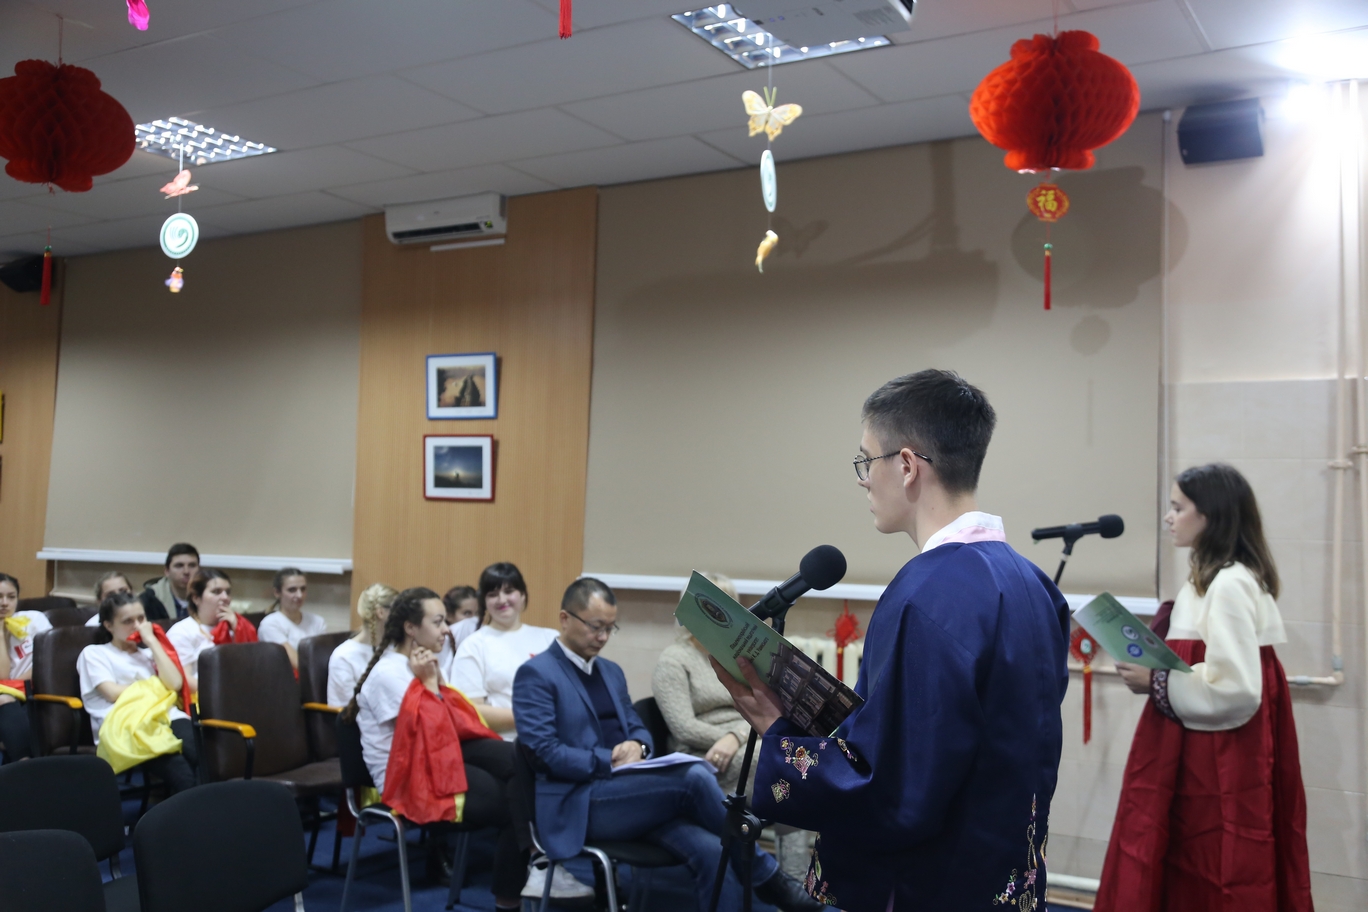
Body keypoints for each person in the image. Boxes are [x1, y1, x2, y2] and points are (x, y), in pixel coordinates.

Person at [715, 370, 1070, 911]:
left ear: (906, 466)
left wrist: (779, 733)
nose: (863, 480)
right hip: (999, 870)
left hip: (931, 883)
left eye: (866, 460)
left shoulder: (927, 593)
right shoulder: (1032, 582)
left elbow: (891, 788)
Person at [513, 577, 819, 912]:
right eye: (595, 627)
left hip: (630, 793)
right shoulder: (537, 674)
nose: (602, 637)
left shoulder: (610, 671)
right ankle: (766, 876)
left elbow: (637, 728)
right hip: (581, 801)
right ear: (565, 619)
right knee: (694, 776)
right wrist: (608, 758)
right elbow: (543, 753)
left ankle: (765, 878)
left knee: (714, 850)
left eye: (610, 628)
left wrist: (639, 747)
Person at [1095, 464, 1312, 912]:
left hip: (1216, 758)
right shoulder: (1209, 579)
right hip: (1191, 746)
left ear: (1210, 514)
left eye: (1178, 508)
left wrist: (1156, 680)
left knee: (1215, 863)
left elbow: (1236, 689)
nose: (1169, 518)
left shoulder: (1230, 584)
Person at [343, 587, 528, 908]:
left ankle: (537, 861)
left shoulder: (422, 663)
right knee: (513, 803)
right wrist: (431, 685)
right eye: (438, 622)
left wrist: (433, 683)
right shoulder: (389, 673)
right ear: (411, 628)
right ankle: (510, 899)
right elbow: (433, 732)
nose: (447, 630)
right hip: (408, 776)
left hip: (436, 755)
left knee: (521, 762)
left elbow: (454, 722)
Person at [77, 591, 197, 793]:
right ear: (108, 625)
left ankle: (206, 808)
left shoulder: (149, 653)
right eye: (128, 621)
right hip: (128, 723)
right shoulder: (95, 653)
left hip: (166, 715)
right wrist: (154, 686)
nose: (138, 626)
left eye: (141, 618)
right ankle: (187, 811)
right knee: (181, 772)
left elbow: (175, 684)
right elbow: (112, 692)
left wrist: (152, 642)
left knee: (200, 754)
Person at [652, 572, 753, 794]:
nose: (719, 615)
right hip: (702, 751)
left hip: (743, 740)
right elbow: (683, 728)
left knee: (792, 750)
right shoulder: (674, 659)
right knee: (769, 758)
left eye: (726, 607)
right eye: (710, 607)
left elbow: (760, 708)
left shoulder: (739, 657)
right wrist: (732, 739)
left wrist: (738, 736)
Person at [450, 563, 558, 741]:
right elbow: (469, 710)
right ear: (484, 602)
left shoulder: (551, 638)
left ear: (523, 595)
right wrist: (532, 718)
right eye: (493, 594)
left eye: (509, 591)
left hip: (555, 740)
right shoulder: (473, 645)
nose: (501, 600)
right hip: (504, 745)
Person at [167, 569, 257, 695]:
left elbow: (251, 669)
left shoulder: (236, 627)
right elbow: (184, 679)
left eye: (227, 592)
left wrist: (238, 631)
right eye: (216, 592)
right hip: (203, 697)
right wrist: (223, 693)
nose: (225, 598)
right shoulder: (182, 631)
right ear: (196, 598)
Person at [0, 573, 51, 763]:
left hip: (34, 687)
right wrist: (0, 634)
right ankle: (25, 763)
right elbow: (2, 675)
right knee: (5, 700)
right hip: (7, 694)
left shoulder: (34, 619)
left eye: (11, 597)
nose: (4, 603)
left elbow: (49, 659)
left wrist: (20, 682)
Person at [328, 582, 396, 706]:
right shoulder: (344, 656)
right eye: (398, 610)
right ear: (381, 613)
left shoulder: (396, 647)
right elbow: (345, 707)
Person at [258, 567, 326, 670]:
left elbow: (324, 657)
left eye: (303, 589)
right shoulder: (270, 624)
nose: (299, 595)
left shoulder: (318, 621)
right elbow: (297, 664)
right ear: (277, 593)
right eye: (292, 590)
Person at [140, 543, 201, 621]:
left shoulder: (209, 597)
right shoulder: (149, 600)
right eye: (179, 566)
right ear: (167, 571)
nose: (186, 571)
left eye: (192, 565)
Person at [438, 584, 480, 683]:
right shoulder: (439, 643)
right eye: (467, 613)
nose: (474, 619)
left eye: (478, 613)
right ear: (449, 615)